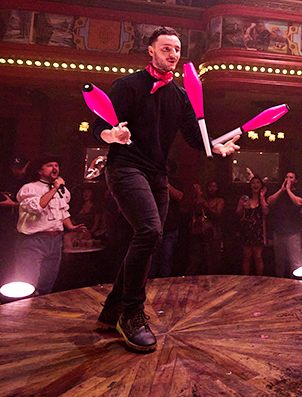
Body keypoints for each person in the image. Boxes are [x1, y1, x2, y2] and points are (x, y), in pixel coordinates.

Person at [91, 26, 239, 352]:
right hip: (125, 168)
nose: (173, 54)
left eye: (177, 49)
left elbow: (192, 136)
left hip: (158, 175)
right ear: (151, 50)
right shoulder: (127, 85)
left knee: (152, 237)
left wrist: (216, 147)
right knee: (148, 231)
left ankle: (113, 309)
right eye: (166, 48)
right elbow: (99, 125)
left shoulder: (180, 95)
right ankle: (131, 313)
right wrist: (111, 136)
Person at [15, 156, 86, 296]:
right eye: (50, 165)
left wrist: (71, 227)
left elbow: (63, 212)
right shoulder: (29, 188)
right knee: (27, 283)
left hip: (55, 240)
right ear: (40, 171)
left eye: (56, 165)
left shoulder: (63, 191)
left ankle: (40, 312)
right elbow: (37, 207)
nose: (55, 168)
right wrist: (54, 189)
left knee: (47, 284)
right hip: (34, 241)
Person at [267, 172, 302, 277]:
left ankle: (296, 284)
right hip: (279, 231)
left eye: (291, 177)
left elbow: (298, 203)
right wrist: (281, 190)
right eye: (286, 177)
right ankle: (280, 284)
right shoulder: (279, 192)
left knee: (295, 260)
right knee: (279, 261)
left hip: (293, 232)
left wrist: (288, 190)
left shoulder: (300, 192)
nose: (288, 179)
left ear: (296, 181)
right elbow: (269, 202)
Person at [187, 180, 225, 274]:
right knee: (195, 259)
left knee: (212, 260)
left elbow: (217, 215)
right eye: (210, 186)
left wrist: (205, 205)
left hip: (213, 233)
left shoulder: (219, 200)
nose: (212, 189)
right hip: (199, 232)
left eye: (214, 186)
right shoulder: (201, 199)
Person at [236, 176, 268, 275]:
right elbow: (238, 214)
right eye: (253, 183)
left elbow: (266, 211)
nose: (255, 185)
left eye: (258, 182)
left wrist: (262, 197)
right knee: (247, 257)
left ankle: (260, 279)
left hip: (258, 231)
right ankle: (245, 279)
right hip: (247, 230)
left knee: (258, 257)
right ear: (250, 185)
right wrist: (242, 206)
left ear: (261, 185)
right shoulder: (245, 198)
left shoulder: (262, 199)